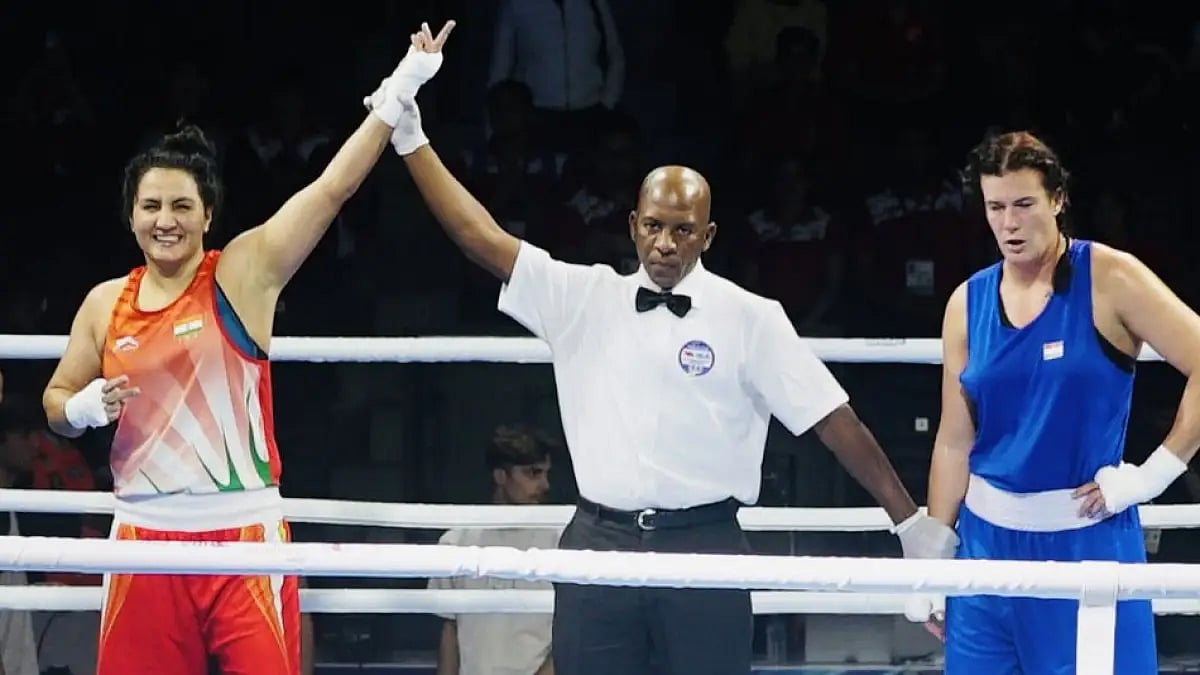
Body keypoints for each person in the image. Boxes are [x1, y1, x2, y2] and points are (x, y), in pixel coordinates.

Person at [366, 25, 956, 675]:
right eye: (654, 226)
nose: (666, 243)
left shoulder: (749, 317)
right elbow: (480, 237)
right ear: (633, 226)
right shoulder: (582, 297)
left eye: (681, 230)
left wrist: (910, 522)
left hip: (704, 544)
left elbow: (835, 421)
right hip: (599, 539)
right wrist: (409, 133)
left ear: (707, 234)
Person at [39, 20, 456, 675]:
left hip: (242, 535)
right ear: (131, 215)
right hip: (144, 540)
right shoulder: (103, 303)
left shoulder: (242, 273)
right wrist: (83, 409)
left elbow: (330, 190)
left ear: (208, 215)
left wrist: (401, 87)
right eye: (151, 205)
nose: (165, 219)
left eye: (181, 205)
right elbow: (55, 401)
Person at [919, 130, 1200, 674]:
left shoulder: (1112, 278)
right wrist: (934, 554)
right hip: (984, 553)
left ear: (1058, 199)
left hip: (1086, 544)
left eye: (1024, 204)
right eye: (995, 207)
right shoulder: (967, 301)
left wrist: (1153, 474)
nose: (1009, 223)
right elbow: (955, 439)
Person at [430, 425, 558, 675]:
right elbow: (450, 631)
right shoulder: (456, 542)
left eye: (545, 473)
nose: (545, 484)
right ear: (501, 476)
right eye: (533, 473)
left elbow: (571, 635)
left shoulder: (561, 542)